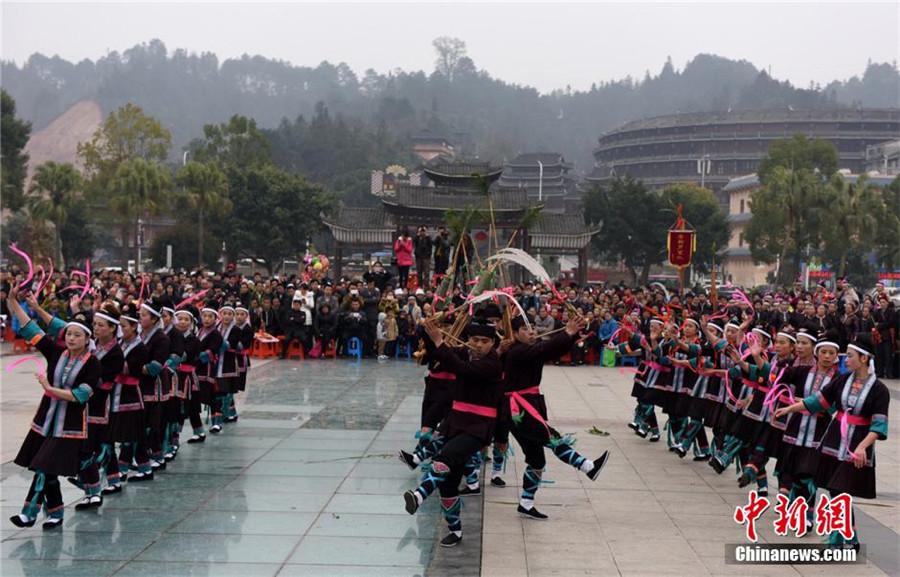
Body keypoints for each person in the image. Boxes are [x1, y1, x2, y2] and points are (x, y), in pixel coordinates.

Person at [775, 334, 889, 550]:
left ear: (864, 359)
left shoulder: (879, 390)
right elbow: (818, 401)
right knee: (836, 491)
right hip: (833, 439)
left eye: (851, 356)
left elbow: (879, 425)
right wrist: (789, 408)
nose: (846, 360)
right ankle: (851, 539)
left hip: (856, 446)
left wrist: (863, 447)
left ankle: (838, 541)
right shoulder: (843, 380)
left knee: (840, 490)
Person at [7, 284, 101, 530]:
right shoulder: (56, 351)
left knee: (44, 467)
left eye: (77, 335)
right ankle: (56, 513)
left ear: (88, 339)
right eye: (68, 333)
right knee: (44, 469)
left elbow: (80, 396)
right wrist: (14, 304)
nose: (71, 338)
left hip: (70, 427)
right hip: (46, 421)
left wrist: (50, 389)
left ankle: (30, 514)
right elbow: (32, 330)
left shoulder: (93, 365)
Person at [403, 317, 504, 548]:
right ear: (468, 339)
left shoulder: (493, 363)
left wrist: (440, 341)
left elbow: (461, 369)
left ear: (492, 343)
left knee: (445, 456)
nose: (479, 345)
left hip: (478, 427)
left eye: (485, 341)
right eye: (475, 340)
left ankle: (419, 495)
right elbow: (438, 356)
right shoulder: (463, 353)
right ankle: (455, 531)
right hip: (455, 423)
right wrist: (428, 332)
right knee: (448, 484)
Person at [500, 313, 609, 519]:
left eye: (532, 327)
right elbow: (544, 349)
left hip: (523, 407)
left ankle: (526, 503)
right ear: (514, 334)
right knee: (552, 437)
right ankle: (587, 466)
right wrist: (567, 332)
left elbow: (550, 350)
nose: (531, 331)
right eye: (524, 329)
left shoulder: (526, 348)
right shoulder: (517, 351)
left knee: (536, 459)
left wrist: (571, 335)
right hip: (518, 410)